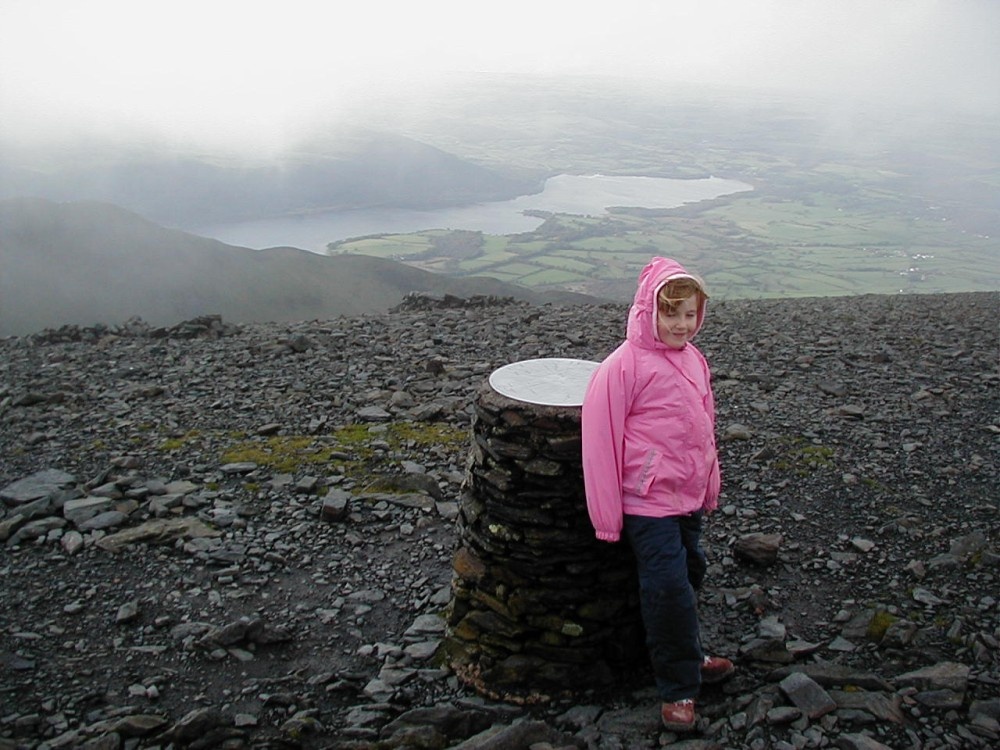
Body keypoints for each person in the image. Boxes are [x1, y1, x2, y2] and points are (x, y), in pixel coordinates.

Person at [581, 256, 734, 732]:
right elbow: (600, 441)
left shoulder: (694, 360)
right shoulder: (622, 366)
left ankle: (690, 653)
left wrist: (709, 484)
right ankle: (678, 688)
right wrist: (607, 518)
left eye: (690, 314)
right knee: (667, 586)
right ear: (648, 311)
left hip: (686, 498)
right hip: (647, 504)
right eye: (672, 314)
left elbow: (703, 430)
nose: (682, 325)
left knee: (692, 571)